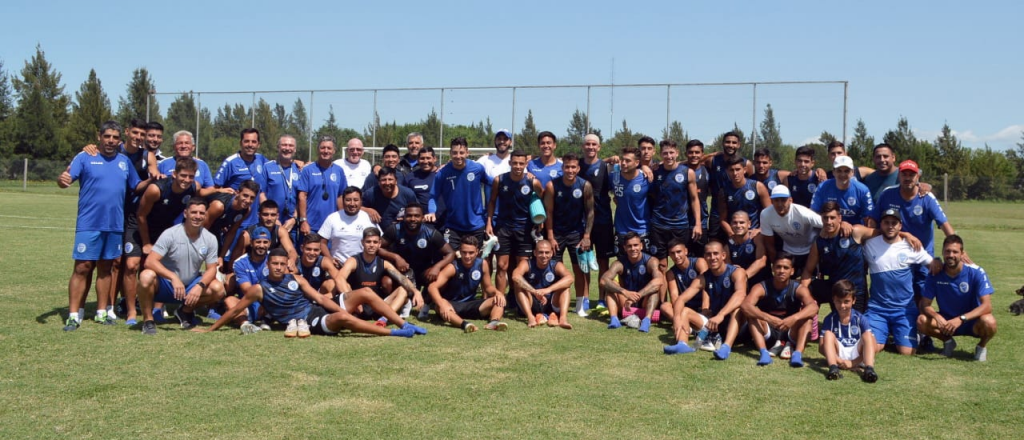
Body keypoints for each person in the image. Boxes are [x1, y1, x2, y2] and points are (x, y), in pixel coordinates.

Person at [196, 248, 425, 338]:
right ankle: (393, 333)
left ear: (287, 264)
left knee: (364, 291)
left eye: (281, 263)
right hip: (307, 321)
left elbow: (320, 298)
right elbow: (236, 309)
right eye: (273, 263)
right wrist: (209, 329)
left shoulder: (296, 278)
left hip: (317, 308)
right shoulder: (259, 289)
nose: (277, 267)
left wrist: (341, 308)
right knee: (343, 318)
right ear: (268, 264)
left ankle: (404, 324)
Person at [58, 121, 144, 330]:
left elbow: (137, 185)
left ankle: (101, 312)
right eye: (107, 137)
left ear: (119, 140)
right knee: (82, 267)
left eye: (115, 138)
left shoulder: (124, 162)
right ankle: (73, 314)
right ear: (100, 136)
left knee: (106, 269)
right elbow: (66, 178)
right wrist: (62, 180)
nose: (111, 141)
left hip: (114, 225)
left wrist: (156, 180)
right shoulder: (85, 157)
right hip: (89, 223)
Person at [136, 198, 227, 335]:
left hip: (189, 286)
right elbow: (150, 261)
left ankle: (185, 311)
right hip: (165, 285)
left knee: (218, 289)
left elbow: (212, 269)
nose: (197, 216)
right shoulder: (170, 234)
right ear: (185, 213)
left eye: (201, 213)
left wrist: (199, 286)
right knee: (146, 276)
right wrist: (173, 277)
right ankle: (148, 321)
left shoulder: (210, 238)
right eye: (194, 212)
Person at [872, 159, 956, 300]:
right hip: (897, 253)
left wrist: (957, 247)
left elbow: (944, 224)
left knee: (922, 296)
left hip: (922, 254)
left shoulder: (926, 197)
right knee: (898, 293)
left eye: (912, 175)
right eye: (904, 174)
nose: (907, 178)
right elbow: (874, 220)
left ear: (918, 177)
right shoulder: (887, 194)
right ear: (899, 176)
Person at [863, 208, 940, 355]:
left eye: (894, 223)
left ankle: (902, 334)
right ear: (881, 224)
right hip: (878, 309)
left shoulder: (911, 246)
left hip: (904, 309)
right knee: (873, 347)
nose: (890, 226)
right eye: (886, 223)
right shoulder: (870, 244)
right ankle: (886, 334)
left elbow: (933, 266)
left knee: (907, 351)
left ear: (900, 225)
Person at [133, 157, 199, 324]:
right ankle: (130, 309)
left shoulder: (193, 187)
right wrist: (147, 242)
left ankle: (158, 308)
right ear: (174, 174)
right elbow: (140, 215)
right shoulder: (156, 190)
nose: (186, 180)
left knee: (165, 268)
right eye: (183, 175)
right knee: (135, 267)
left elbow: (202, 193)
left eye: (191, 176)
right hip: (144, 228)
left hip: (166, 232)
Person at [917, 235, 997, 361]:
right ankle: (948, 342)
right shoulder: (936, 273)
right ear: (943, 252)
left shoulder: (976, 272)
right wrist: (937, 317)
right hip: (947, 322)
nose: (951, 255)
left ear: (962, 253)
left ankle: (981, 347)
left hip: (972, 322)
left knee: (990, 322)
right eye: (947, 251)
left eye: (955, 251)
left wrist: (961, 319)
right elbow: (925, 304)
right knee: (922, 320)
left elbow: (987, 306)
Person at [740, 253, 819, 367]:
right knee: (752, 315)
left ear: (792, 271)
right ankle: (764, 354)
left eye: (786, 268)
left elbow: (813, 307)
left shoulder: (798, 288)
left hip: (791, 331)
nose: (781, 270)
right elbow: (745, 306)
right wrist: (768, 318)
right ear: (773, 269)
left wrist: (793, 318)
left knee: (808, 318)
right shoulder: (761, 287)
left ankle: (797, 355)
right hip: (769, 330)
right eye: (778, 267)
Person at [334, 227, 424, 325]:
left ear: (379, 244)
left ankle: (383, 319)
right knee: (345, 284)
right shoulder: (353, 261)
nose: (371, 245)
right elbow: (339, 278)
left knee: (403, 290)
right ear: (362, 242)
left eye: (375, 242)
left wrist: (416, 291)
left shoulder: (383, 263)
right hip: (357, 306)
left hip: (377, 306)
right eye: (368, 242)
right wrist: (352, 299)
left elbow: (402, 278)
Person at [379, 203, 455, 318]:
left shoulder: (431, 233)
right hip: (402, 272)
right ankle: (402, 304)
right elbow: (377, 247)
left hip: (424, 272)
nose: (412, 219)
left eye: (416, 216)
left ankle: (426, 304)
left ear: (422, 217)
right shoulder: (395, 229)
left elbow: (450, 253)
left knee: (440, 278)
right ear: (404, 217)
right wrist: (396, 257)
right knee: (386, 282)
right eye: (409, 216)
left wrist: (437, 267)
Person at [543, 152, 595, 317]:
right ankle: (553, 303)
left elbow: (590, 212)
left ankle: (579, 305)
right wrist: (550, 236)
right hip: (557, 234)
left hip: (576, 234)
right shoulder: (553, 186)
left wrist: (586, 236)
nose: (570, 170)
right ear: (562, 167)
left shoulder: (584, 185)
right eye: (567, 167)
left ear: (578, 168)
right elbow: (548, 213)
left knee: (579, 269)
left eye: (573, 167)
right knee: (553, 269)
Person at [488, 149, 544, 298]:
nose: (518, 166)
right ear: (509, 163)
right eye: (515, 163)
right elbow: (492, 201)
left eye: (521, 163)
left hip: (524, 229)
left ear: (526, 163)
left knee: (522, 267)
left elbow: (542, 198)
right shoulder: (499, 180)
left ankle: (521, 300)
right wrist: (489, 222)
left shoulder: (533, 181)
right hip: (503, 228)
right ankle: (499, 301)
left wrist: (540, 219)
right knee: (501, 266)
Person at [427, 236, 508, 332]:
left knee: (498, 300)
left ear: (477, 251)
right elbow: (432, 287)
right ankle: (465, 324)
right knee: (439, 306)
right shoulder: (452, 267)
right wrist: (441, 303)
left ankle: (493, 323)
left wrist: (497, 293)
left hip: (471, 304)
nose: (467, 256)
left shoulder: (482, 264)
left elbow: (488, 287)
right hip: (452, 305)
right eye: (464, 252)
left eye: (471, 253)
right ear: (460, 251)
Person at [648, 139, 702, 271]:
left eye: (671, 152)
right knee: (661, 265)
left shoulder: (687, 172)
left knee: (682, 263)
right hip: (658, 225)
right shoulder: (655, 172)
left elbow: (695, 199)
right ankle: (662, 292)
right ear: (660, 155)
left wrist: (698, 224)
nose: (669, 156)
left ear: (677, 153)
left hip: (680, 225)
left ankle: (678, 292)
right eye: (665, 153)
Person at [578, 134, 616, 313]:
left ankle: (601, 298)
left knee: (603, 261)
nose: (590, 147)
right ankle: (585, 298)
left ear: (599, 147)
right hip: (581, 221)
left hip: (603, 220)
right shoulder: (576, 166)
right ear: (582, 146)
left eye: (594, 144)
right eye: (587, 144)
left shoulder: (606, 168)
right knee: (584, 260)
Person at [426, 137, 487, 248]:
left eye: (461, 152)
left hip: (476, 224)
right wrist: (431, 211)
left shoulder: (477, 168)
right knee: (450, 259)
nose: (458, 156)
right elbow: (433, 196)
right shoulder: (442, 173)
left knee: (478, 260)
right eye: (455, 153)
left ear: (467, 153)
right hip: (453, 226)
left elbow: (493, 182)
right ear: (450, 153)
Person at [599, 232, 664, 332]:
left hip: (644, 302)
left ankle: (646, 321)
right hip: (625, 303)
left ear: (641, 246)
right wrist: (624, 292)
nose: (633, 248)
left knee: (655, 289)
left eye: (636, 245)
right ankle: (614, 320)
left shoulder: (651, 261)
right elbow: (603, 280)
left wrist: (638, 295)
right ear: (624, 248)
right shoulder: (619, 263)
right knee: (611, 285)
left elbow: (659, 281)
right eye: (629, 246)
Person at [696, 239, 748, 360]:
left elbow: (741, 294)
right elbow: (682, 299)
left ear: (723, 255)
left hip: (740, 327)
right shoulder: (704, 277)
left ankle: (726, 348)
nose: (712, 257)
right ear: (704, 257)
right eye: (708, 254)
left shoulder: (737, 272)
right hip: (717, 325)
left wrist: (721, 314)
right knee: (686, 312)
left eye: (716, 253)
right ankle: (682, 344)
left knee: (738, 308)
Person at [819, 280, 879, 382]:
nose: (842, 306)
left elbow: (875, 347)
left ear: (853, 300)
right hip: (837, 355)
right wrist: (839, 361)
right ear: (833, 300)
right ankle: (833, 368)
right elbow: (821, 347)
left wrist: (853, 362)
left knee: (867, 335)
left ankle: (869, 369)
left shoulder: (860, 318)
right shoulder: (830, 319)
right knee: (828, 334)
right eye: (839, 301)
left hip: (858, 354)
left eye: (846, 301)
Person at [759, 185, 822, 277]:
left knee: (810, 280)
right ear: (771, 201)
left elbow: (826, 224)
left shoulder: (804, 213)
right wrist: (775, 263)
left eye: (783, 200)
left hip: (810, 250)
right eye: (776, 200)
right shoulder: (765, 214)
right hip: (788, 250)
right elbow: (769, 244)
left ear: (790, 200)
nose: (780, 204)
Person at [512, 240, 575, 329]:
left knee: (566, 287)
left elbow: (570, 278)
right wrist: (534, 292)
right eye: (540, 252)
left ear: (552, 253)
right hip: (531, 301)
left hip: (551, 302)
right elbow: (515, 277)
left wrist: (547, 290)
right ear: (535, 253)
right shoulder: (526, 263)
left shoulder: (556, 265)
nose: (544, 256)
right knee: (518, 285)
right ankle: (530, 317)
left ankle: (563, 319)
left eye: (547, 252)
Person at [214, 128, 268, 228]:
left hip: (255, 222)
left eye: (253, 142)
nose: (250, 145)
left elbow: (277, 165)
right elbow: (215, 189)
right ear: (241, 143)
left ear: (258, 144)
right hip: (234, 221)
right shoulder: (230, 162)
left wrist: (294, 162)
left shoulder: (261, 159)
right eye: (246, 141)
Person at [662, 239, 709, 355]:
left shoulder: (699, 262)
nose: (676, 256)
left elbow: (706, 287)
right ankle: (687, 329)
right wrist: (677, 315)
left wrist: (705, 309)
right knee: (665, 306)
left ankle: (682, 342)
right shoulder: (671, 273)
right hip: (685, 307)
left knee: (684, 312)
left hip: (702, 309)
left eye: (679, 252)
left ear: (686, 251)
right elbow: (674, 296)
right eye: (672, 253)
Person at [297, 136, 348, 237]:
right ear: (318, 150)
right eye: (322, 148)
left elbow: (340, 196)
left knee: (329, 253)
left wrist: (343, 219)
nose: (325, 151)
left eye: (329, 148)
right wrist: (303, 220)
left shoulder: (339, 171)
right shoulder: (308, 170)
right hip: (311, 224)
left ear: (334, 151)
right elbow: (302, 196)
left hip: (332, 225)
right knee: (310, 252)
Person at [205, 180, 259, 274]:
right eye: (245, 195)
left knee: (217, 267)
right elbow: (202, 230)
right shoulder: (219, 206)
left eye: (252, 198)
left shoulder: (246, 210)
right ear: (237, 193)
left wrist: (221, 256)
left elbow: (232, 233)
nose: (248, 200)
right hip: (202, 232)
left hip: (215, 232)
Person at [230, 200, 299, 272]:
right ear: (259, 215)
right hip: (251, 268)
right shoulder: (248, 235)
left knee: (293, 270)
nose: (269, 218)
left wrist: (291, 260)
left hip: (271, 268)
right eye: (265, 214)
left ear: (277, 216)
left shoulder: (280, 231)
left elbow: (291, 251)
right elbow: (235, 261)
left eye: (273, 215)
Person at [318, 186, 378, 264]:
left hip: (362, 266)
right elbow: (322, 242)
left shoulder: (368, 218)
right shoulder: (332, 218)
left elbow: (379, 241)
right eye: (348, 200)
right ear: (343, 201)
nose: (352, 204)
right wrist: (330, 259)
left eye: (356, 200)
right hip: (338, 265)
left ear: (361, 201)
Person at [810, 155, 875, 227]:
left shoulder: (863, 190)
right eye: (839, 171)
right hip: (828, 227)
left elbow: (869, 219)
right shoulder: (822, 187)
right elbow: (814, 213)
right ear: (833, 172)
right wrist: (839, 225)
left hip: (853, 231)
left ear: (852, 172)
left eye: (846, 171)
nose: (843, 174)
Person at [611, 146, 653, 250]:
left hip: (642, 229)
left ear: (637, 162)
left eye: (628, 161)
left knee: (645, 263)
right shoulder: (613, 177)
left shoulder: (646, 178)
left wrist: (646, 167)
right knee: (622, 264)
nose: (624, 163)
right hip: (621, 230)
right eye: (622, 160)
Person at [717, 155, 771, 236]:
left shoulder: (757, 186)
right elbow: (723, 219)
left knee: (759, 245)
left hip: (754, 233)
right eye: (731, 170)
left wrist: (760, 229)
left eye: (738, 169)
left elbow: (769, 213)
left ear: (744, 170)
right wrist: (732, 235)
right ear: (727, 172)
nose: (735, 173)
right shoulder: (724, 191)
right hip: (734, 233)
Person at [263, 134, 303, 237]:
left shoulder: (300, 169)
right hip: (271, 222)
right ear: (278, 147)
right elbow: (261, 194)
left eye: (290, 146)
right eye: (284, 145)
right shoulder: (268, 167)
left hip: (292, 223)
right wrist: (271, 217)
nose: (287, 148)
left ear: (295, 149)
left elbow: (302, 197)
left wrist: (294, 218)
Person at [684, 139, 712, 257]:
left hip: (701, 222)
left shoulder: (707, 170)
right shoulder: (680, 170)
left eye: (697, 152)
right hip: (682, 222)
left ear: (702, 154)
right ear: (686, 154)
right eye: (691, 152)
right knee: (683, 257)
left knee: (702, 257)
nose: (694, 155)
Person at [725, 211, 768, 287]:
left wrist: (743, 276)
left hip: (760, 282)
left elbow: (761, 261)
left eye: (742, 222)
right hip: (738, 283)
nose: (738, 226)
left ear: (749, 224)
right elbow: (728, 266)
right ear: (731, 224)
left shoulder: (756, 238)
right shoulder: (728, 245)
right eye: (735, 223)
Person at [479, 129, 512, 215]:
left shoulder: (516, 161)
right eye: (499, 139)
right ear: (495, 141)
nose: (502, 141)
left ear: (510, 142)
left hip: (511, 216)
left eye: (505, 139)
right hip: (491, 215)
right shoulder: (485, 160)